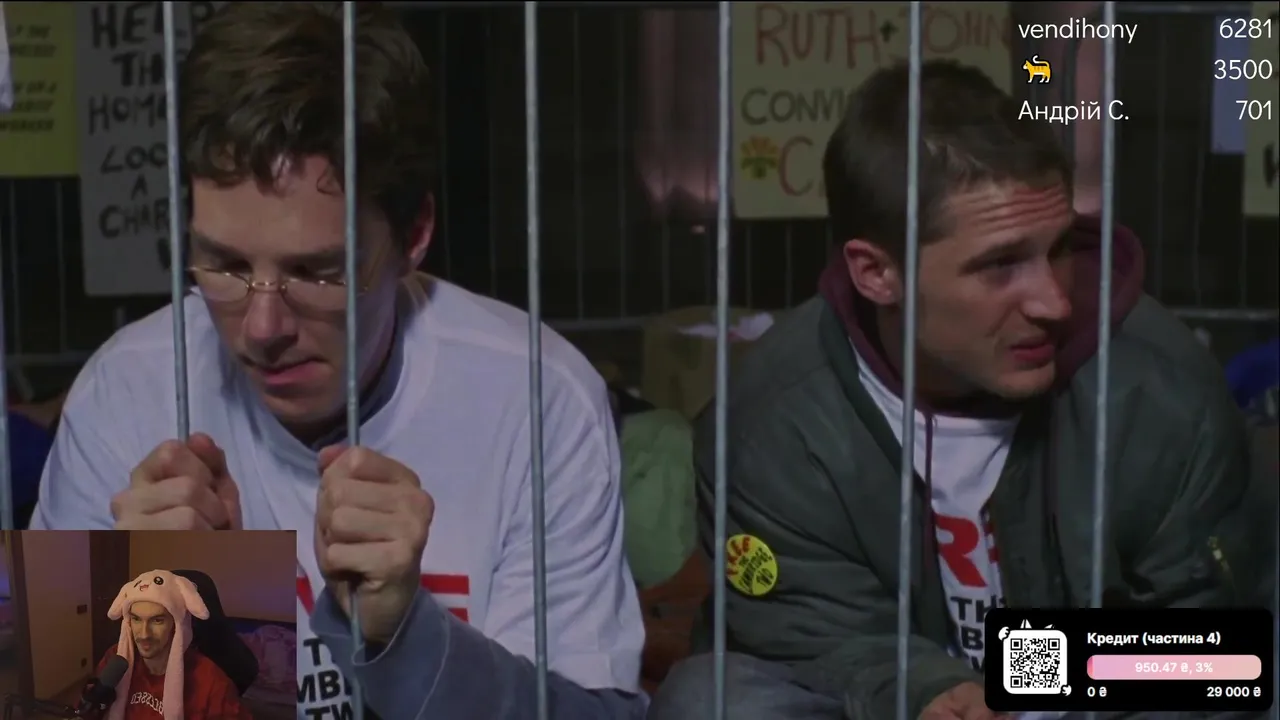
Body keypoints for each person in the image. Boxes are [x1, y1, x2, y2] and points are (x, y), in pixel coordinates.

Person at [32, 3, 646, 718]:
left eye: (318, 272)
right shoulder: (124, 394)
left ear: (415, 235)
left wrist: (405, 638)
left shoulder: (538, 398)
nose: (263, 328)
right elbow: (45, 706)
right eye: (225, 264)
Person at [648, 61, 1273, 720]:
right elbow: (807, 630)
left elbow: (1216, 652)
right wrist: (927, 687)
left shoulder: (1158, 388)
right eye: (1001, 264)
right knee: (709, 700)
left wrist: (1017, 673)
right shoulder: (773, 419)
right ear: (876, 273)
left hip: (1088, 702)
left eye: (1060, 246)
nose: (1055, 302)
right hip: (892, 708)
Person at [96, 569, 249, 720]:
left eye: (157, 620)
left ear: (177, 625)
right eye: (136, 619)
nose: (144, 634)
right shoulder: (115, 660)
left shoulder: (211, 682)